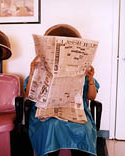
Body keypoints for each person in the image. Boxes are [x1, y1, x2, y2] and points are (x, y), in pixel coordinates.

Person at [24, 24, 100, 156]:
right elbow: (28, 95)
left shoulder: (82, 71)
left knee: (82, 129)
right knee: (52, 126)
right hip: (47, 113)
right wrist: (32, 73)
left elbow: (92, 97)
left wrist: (91, 79)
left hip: (76, 113)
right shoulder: (40, 68)